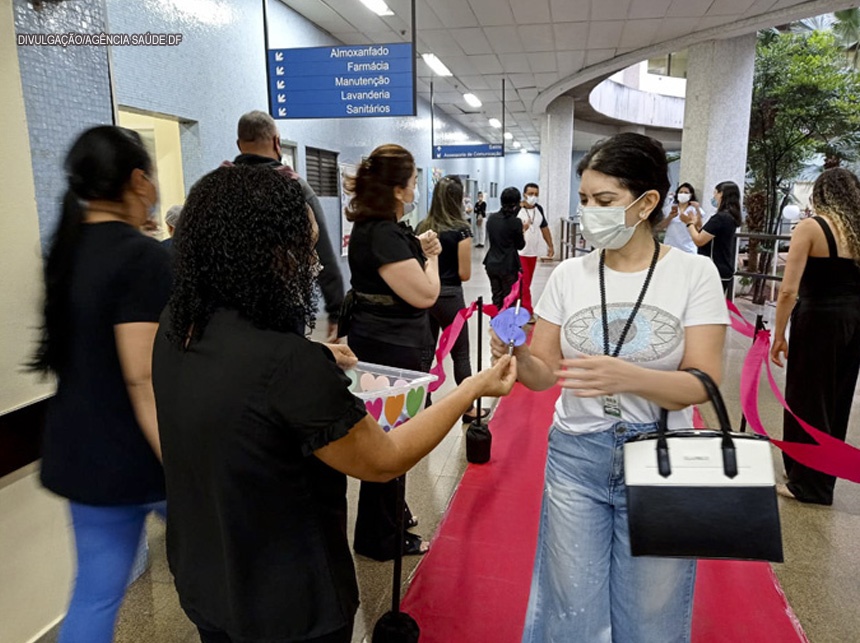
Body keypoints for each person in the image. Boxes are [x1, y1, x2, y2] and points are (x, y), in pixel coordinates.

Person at [152, 164, 516, 643]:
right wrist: (469, 390)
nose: (313, 265)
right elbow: (382, 461)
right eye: (303, 251)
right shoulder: (289, 364)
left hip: (208, 577)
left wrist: (317, 353)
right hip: (289, 602)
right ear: (262, 256)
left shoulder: (179, 329)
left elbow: (239, 386)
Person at [491, 133, 728, 643]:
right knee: (568, 610)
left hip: (662, 458)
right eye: (583, 201)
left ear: (646, 203)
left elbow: (704, 382)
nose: (590, 213)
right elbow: (542, 376)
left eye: (604, 202)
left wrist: (629, 377)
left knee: (651, 616)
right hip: (577, 454)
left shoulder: (695, 274)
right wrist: (518, 354)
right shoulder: (570, 276)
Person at [30, 126, 172, 643]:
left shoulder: (65, 253)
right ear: (138, 181)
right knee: (221, 578)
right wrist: (184, 468)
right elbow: (143, 381)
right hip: (142, 457)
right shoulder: (142, 257)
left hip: (80, 453)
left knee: (95, 594)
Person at [339, 143, 441, 560]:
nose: (417, 187)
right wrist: (430, 256)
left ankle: (392, 515)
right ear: (398, 190)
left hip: (383, 342)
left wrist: (415, 245)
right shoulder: (383, 234)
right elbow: (426, 294)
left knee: (390, 434)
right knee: (393, 440)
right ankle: (380, 538)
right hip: (393, 348)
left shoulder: (377, 228)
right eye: (414, 181)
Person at [770, 167, 860, 505]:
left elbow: (788, 290)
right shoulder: (856, 231)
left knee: (807, 397)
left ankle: (806, 484)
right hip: (853, 321)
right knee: (836, 399)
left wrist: (779, 335)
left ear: (820, 193)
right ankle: (818, 477)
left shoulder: (812, 227)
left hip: (819, 319)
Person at [231, 110, 344, 341]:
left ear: (239, 144)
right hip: (284, 305)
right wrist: (336, 309)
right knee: (285, 370)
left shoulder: (215, 188)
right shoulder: (295, 188)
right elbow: (322, 253)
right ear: (276, 141)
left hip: (229, 308)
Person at [417, 175, 487, 423]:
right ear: (458, 199)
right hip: (450, 296)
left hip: (424, 296)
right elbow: (465, 274)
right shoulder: (461, 229)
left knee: (424, 353)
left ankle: (422, 407)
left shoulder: (422, 227)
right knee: (460, 353)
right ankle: (468, 409)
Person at [681, 180, 742, 294]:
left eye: (715, 193)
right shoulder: (730, 217)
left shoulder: (720, 218)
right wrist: (695, 223)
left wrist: (689, 223)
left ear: (722, 194)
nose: (714, 196)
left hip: (715, 269)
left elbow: (699, 240)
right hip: (722, 268)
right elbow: (705, 234)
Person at [484, 186, 526, 309]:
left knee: (496, 296)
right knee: (509, 298)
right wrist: (522, 230)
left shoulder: (491, 218)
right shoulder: (516, 222)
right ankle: (506, 325)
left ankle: (495, 324)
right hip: (508, 265)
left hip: (491, 263)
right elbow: (520, 245)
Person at [518, 182, 555, 316]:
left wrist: (550, 245)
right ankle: (527, 311)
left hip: (532, 253)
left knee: (527, 283)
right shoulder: (518, 209)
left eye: (536, 194)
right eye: (530, 194)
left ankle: (521, 308)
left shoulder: (539, 209)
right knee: (524, 283)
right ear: (524, 194)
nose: (533, 197)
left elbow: (544, 228)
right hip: (519, 252)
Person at [657, 182, 700, 253]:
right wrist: (670, 217)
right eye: (681, 192)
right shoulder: (669, 208)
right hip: (670, 247)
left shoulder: (694, 209)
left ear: (691, 195)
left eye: (686, 193)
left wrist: (691, 220)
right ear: (677, 194)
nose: (683, 194)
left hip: (688, 248)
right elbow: (661, 227)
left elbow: (699, 229)